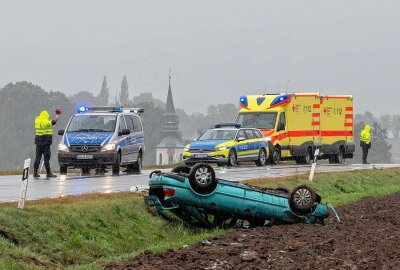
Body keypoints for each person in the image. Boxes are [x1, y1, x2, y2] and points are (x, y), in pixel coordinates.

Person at [33, 110, 59, 179]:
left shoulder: (37, 121)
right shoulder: (44, 122)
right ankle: (48, 172)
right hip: (45, 141)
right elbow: (48, 123)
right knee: (46, 157)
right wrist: (55, 119)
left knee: (38, 157)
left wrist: (53, 121)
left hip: (38, 141)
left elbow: (46, 123)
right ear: (45, 116)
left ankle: (35, 172)